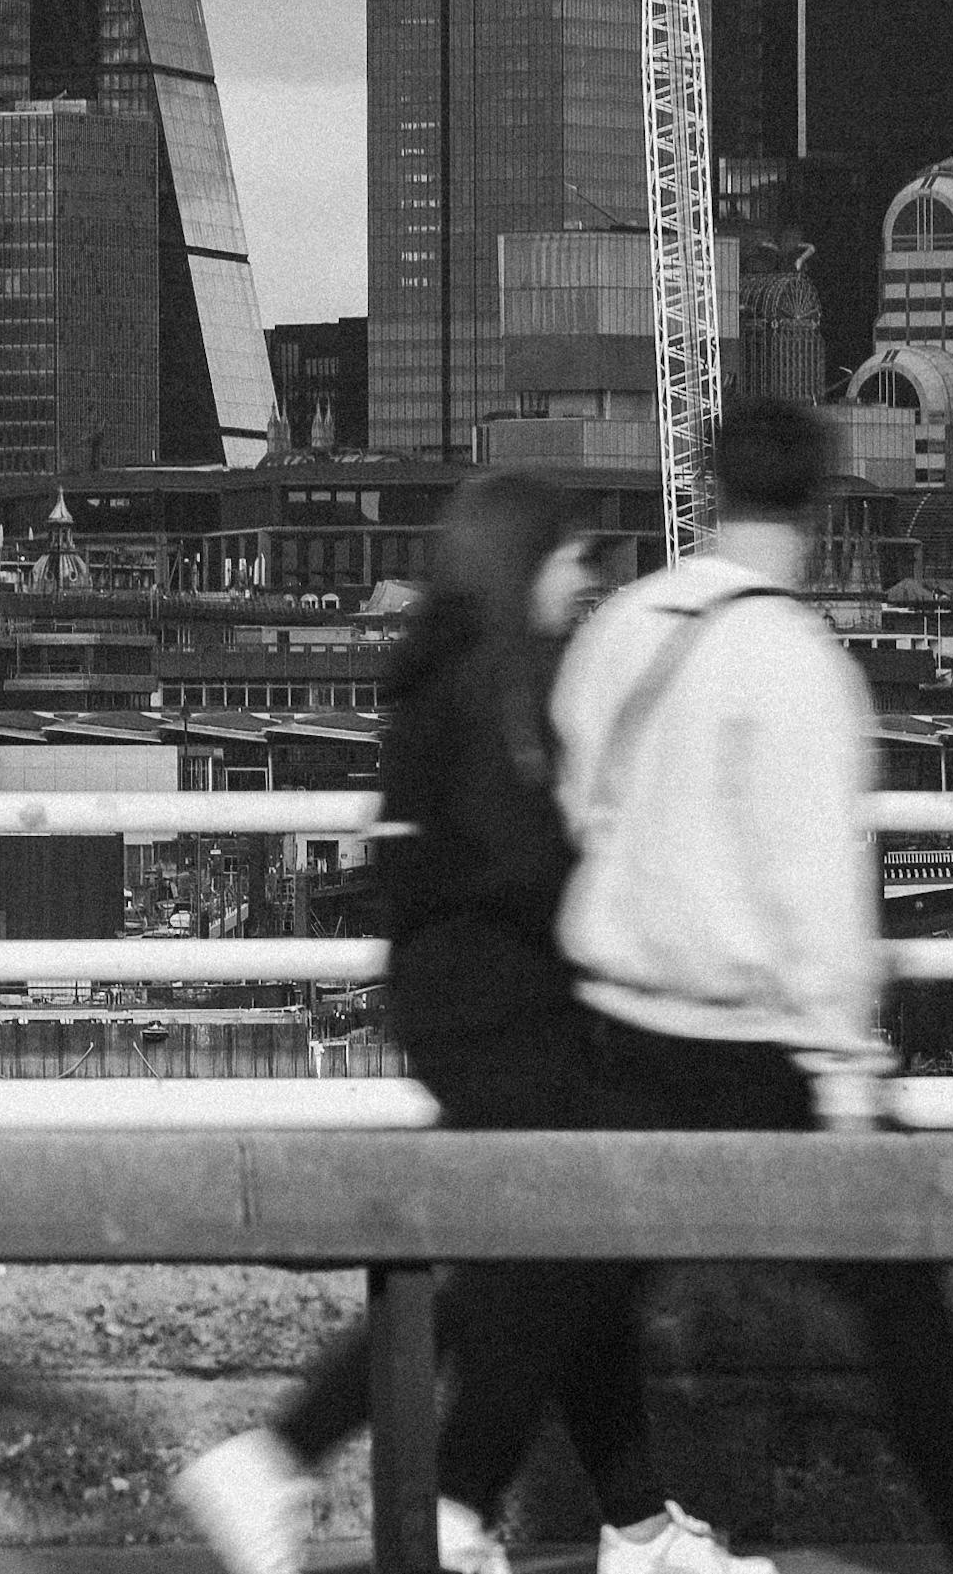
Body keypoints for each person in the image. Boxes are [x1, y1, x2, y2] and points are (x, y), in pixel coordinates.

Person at [180, 471, 761, 1574]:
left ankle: (636, 1526)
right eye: (572, 559)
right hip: (509, 1005)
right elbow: (524, 860)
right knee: (536, 1262)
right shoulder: (504, 676)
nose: (586, 582)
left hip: (458, 997)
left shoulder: (438, 668)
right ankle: (371, 1483)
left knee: (550, 1252)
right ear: (524, 563)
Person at [552, 398, 953, 1574]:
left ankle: (627, 1514)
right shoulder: (798, 663)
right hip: (759, 1042)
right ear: (825, 507)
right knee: (903, 1316)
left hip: (617, 1024)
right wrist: (850, 1075)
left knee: (575, 1284)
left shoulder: (622, 624)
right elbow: (819, 897)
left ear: (704, 480)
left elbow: (578, 802)